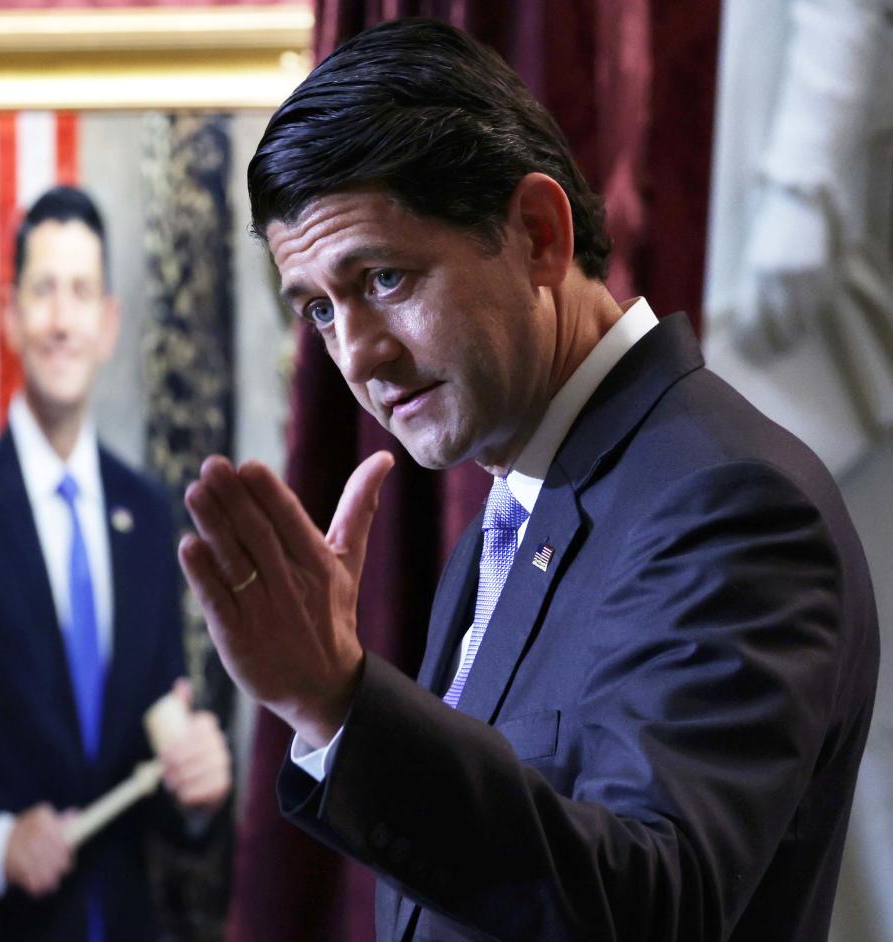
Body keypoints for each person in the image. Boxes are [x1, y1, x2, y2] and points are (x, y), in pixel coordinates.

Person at [177, 19, 878, 942]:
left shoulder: (729, 502)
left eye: (384, 278)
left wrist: (340, 702)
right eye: (319, 310)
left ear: (538, 235)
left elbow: (652, 905)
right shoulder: (516, 506)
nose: (360, 356)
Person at [0, 185, 232, 942]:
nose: (62, 320)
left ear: (108, 323)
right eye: (43, 292)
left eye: (81, 292)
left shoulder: (148, 512)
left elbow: (155, 757)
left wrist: (196, 787)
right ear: (10, 317)